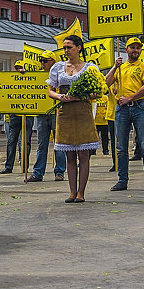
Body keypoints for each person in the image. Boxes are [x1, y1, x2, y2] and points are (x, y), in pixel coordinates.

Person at [47, 35, 103, 202]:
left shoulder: (90, 68)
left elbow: (98, 92)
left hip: (82, 112)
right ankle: (72, 192)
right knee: (69, 154)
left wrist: (80, 96)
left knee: (83, 154)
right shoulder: (58, 67)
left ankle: (81, 193)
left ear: (79, 48)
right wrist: (59, 96)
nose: (66, 51)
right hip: (65, 113)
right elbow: (50, 90)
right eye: (64, 48)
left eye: (69, 47)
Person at [105, 37, 144, 191]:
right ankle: (122, 180)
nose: (135, 50)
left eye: (138, 48)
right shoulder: (120, 67)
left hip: (139, 107)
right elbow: (106, 83)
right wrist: (114, 67)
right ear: (126, 49)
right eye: (132, 47)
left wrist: (130, 98)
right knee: (121, 147)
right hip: (121, 109)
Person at [30, 51, 67, 183]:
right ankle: (38, 173)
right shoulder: (36, 75)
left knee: (59, 145)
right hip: (41, 113)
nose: (42, 63)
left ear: (53, 61)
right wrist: (21, 73)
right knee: (41, 145)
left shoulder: (61, 74)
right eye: (41, 61)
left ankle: (59, 172)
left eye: (45, 61)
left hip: (57, 113)